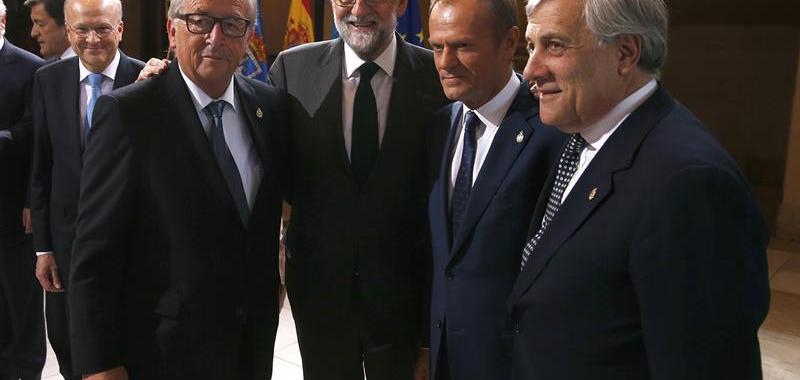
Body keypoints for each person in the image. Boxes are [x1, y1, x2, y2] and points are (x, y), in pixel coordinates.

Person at [507, 0, 770, 378]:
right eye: (532, 46)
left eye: (555, 45)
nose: (530, 69)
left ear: (625, 53)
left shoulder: (689, 183)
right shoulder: (581, 135)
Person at [68, 0, 289, 377]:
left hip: (250, 347)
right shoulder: (129, 113)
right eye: (199, 21)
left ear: (249, 36)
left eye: (233, 25)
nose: (214, 37)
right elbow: (94, 256)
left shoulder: (270, 109)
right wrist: (100, 365)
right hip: (162, 353)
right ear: (172, 31)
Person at [269, 0, 447, 378]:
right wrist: (163, 81)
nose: (358, 9)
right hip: (320, 292)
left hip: (405, 296)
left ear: (401, 3)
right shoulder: (291, 68)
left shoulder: (439, 77)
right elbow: (249, 141)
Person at [424, 0, 564, 378]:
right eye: (437, 47)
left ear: (508, 43)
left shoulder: (553, 133)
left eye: (462, 46)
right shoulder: (439, 127)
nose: (444, 62)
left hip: (511, 362)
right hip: (444, 358)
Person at [28, 0, 143, 378]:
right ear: (68, 28)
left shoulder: (148, 81)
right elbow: (42, 167)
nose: (92, 40)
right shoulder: (48, 80)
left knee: (124, 351)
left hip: (129, 249)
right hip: (65, 246)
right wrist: (43, 247)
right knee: (71, 354)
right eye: (82, 30)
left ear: (121, 29)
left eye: (103, 29)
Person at [0, 1, 46, 378]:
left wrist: (33, 200)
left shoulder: (32, 68)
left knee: (21, 298)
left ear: (1, 21)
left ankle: (27, 369)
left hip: (15, 206)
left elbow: (38, 137)